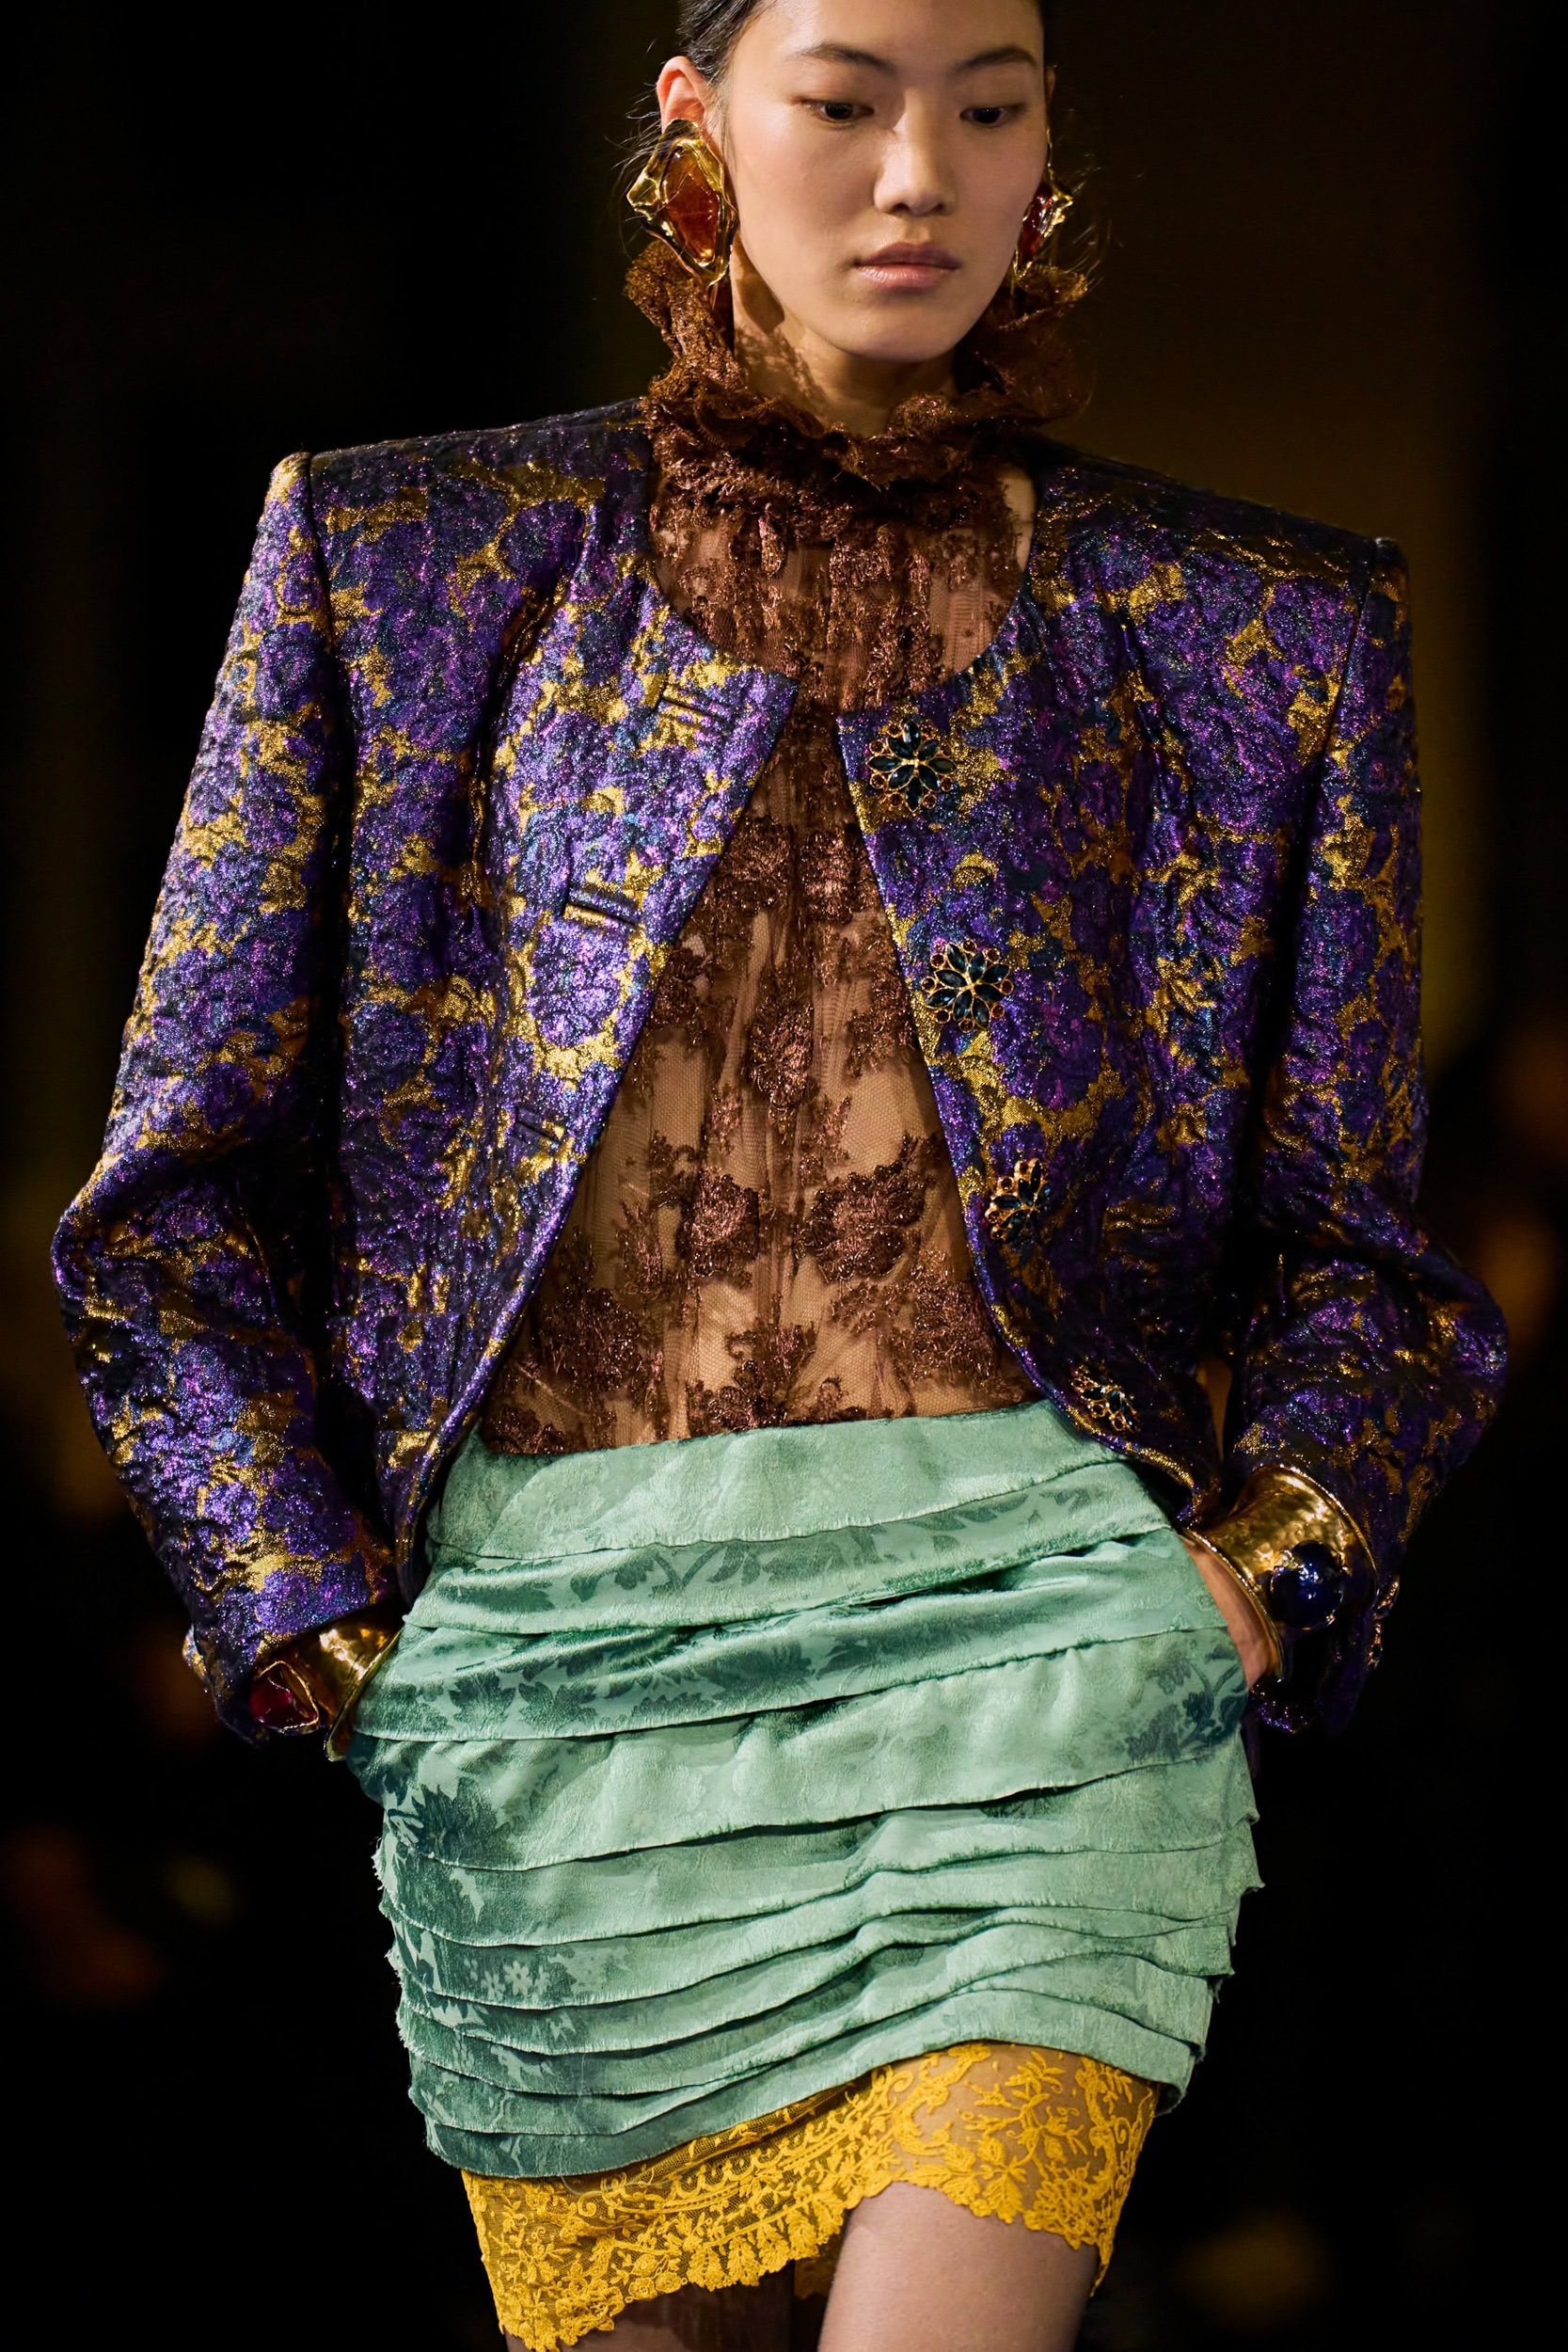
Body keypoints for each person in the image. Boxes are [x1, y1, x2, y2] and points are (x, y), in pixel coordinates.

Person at [53, 3, 1504, 2346]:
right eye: (847, 99)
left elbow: (1359, 1253)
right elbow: (173, 1202)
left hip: (1041, 1680)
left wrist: (1262, 1563)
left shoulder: (1258, 632)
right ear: (698, 120)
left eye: (992, 104)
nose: (922, 172)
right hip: (562, 1697)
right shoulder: (403, 562)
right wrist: (321, 1626)